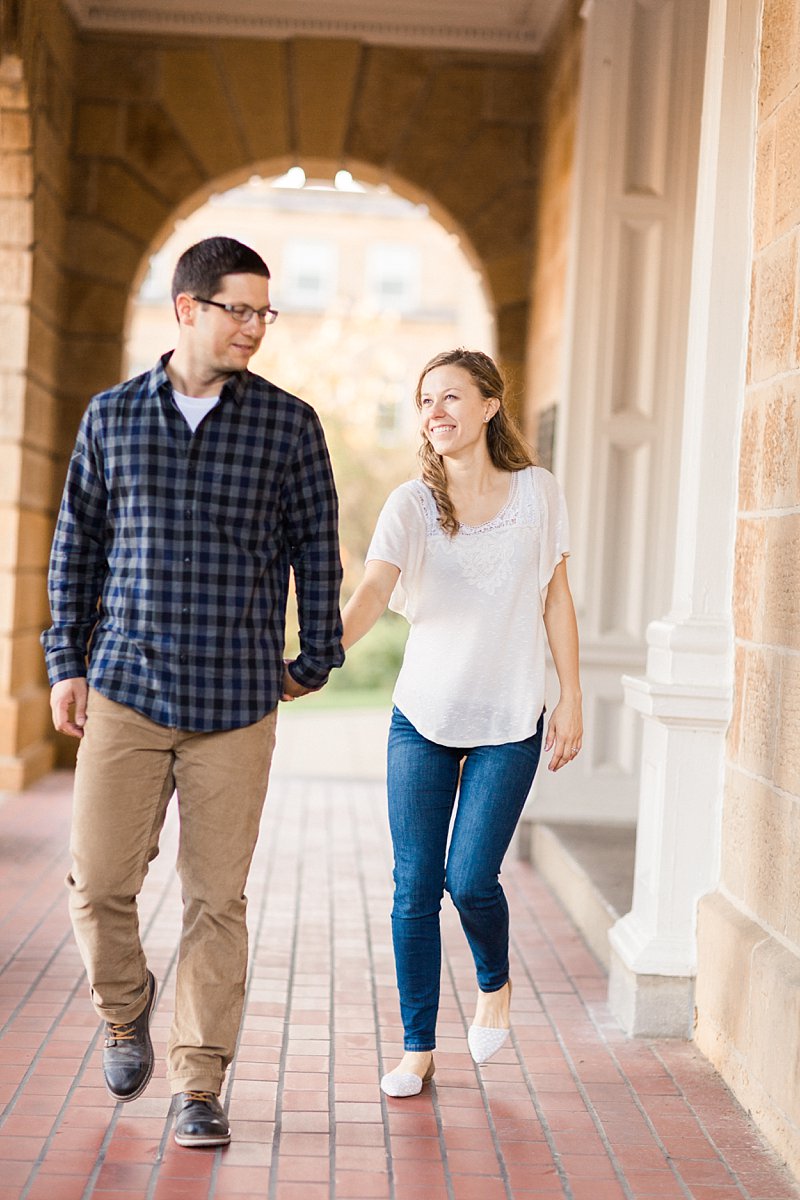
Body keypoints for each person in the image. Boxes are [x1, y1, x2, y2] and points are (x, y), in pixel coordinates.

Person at [41, 236, 343, 1147]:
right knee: (98, 883)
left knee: (218, 898)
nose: (255, 326)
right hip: (127, 688)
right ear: (187, 309)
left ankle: (199, 1083)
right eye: (238, 309)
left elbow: (314, 554)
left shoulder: (289, 426)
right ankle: (126, 1013)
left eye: (264, 312)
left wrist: (314, 656)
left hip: (234, 703)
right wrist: (67, 661)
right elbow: (76, 550)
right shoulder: (111, 418)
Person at [341, 348, 581, 1097]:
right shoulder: (412, 504)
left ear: (488, 406)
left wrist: (570, 694)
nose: (434, 411)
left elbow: (554, 598)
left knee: (471, 878)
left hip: (510, 716)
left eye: (450, 396)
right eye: (424, 401)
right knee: (414, 885)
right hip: (423, 717)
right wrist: (317, 657)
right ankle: (417, 1046)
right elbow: (375, 591)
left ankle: (495, 983)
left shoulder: (537, 493)